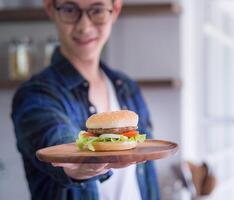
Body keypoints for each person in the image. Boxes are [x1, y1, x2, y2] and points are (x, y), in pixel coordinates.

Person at [11, 0, 160, 199]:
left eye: (97, 10)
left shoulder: (127, 88)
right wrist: (80, 165)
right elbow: (56, 139)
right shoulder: (35, 94)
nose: (84, 26)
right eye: (70, 10)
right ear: (50, 9)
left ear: (114, 10)